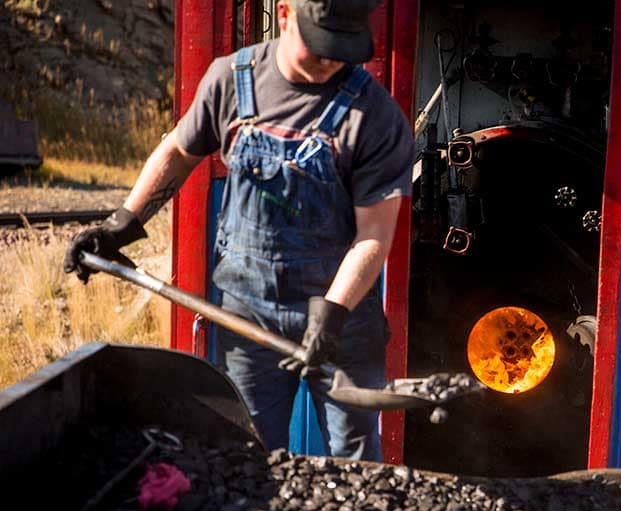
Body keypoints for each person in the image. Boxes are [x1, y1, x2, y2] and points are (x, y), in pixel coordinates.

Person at [64, 0, 415, 461]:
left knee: (353, 460)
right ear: (285, 15)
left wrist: (332, 314)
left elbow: (373, 235)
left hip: (341, 319)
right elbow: (177, 152)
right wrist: (122, 224)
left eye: (344, 48)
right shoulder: (233, 79)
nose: (332, 60)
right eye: (321, 45)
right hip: (247, 316)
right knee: (247, 453)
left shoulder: (375, 115)